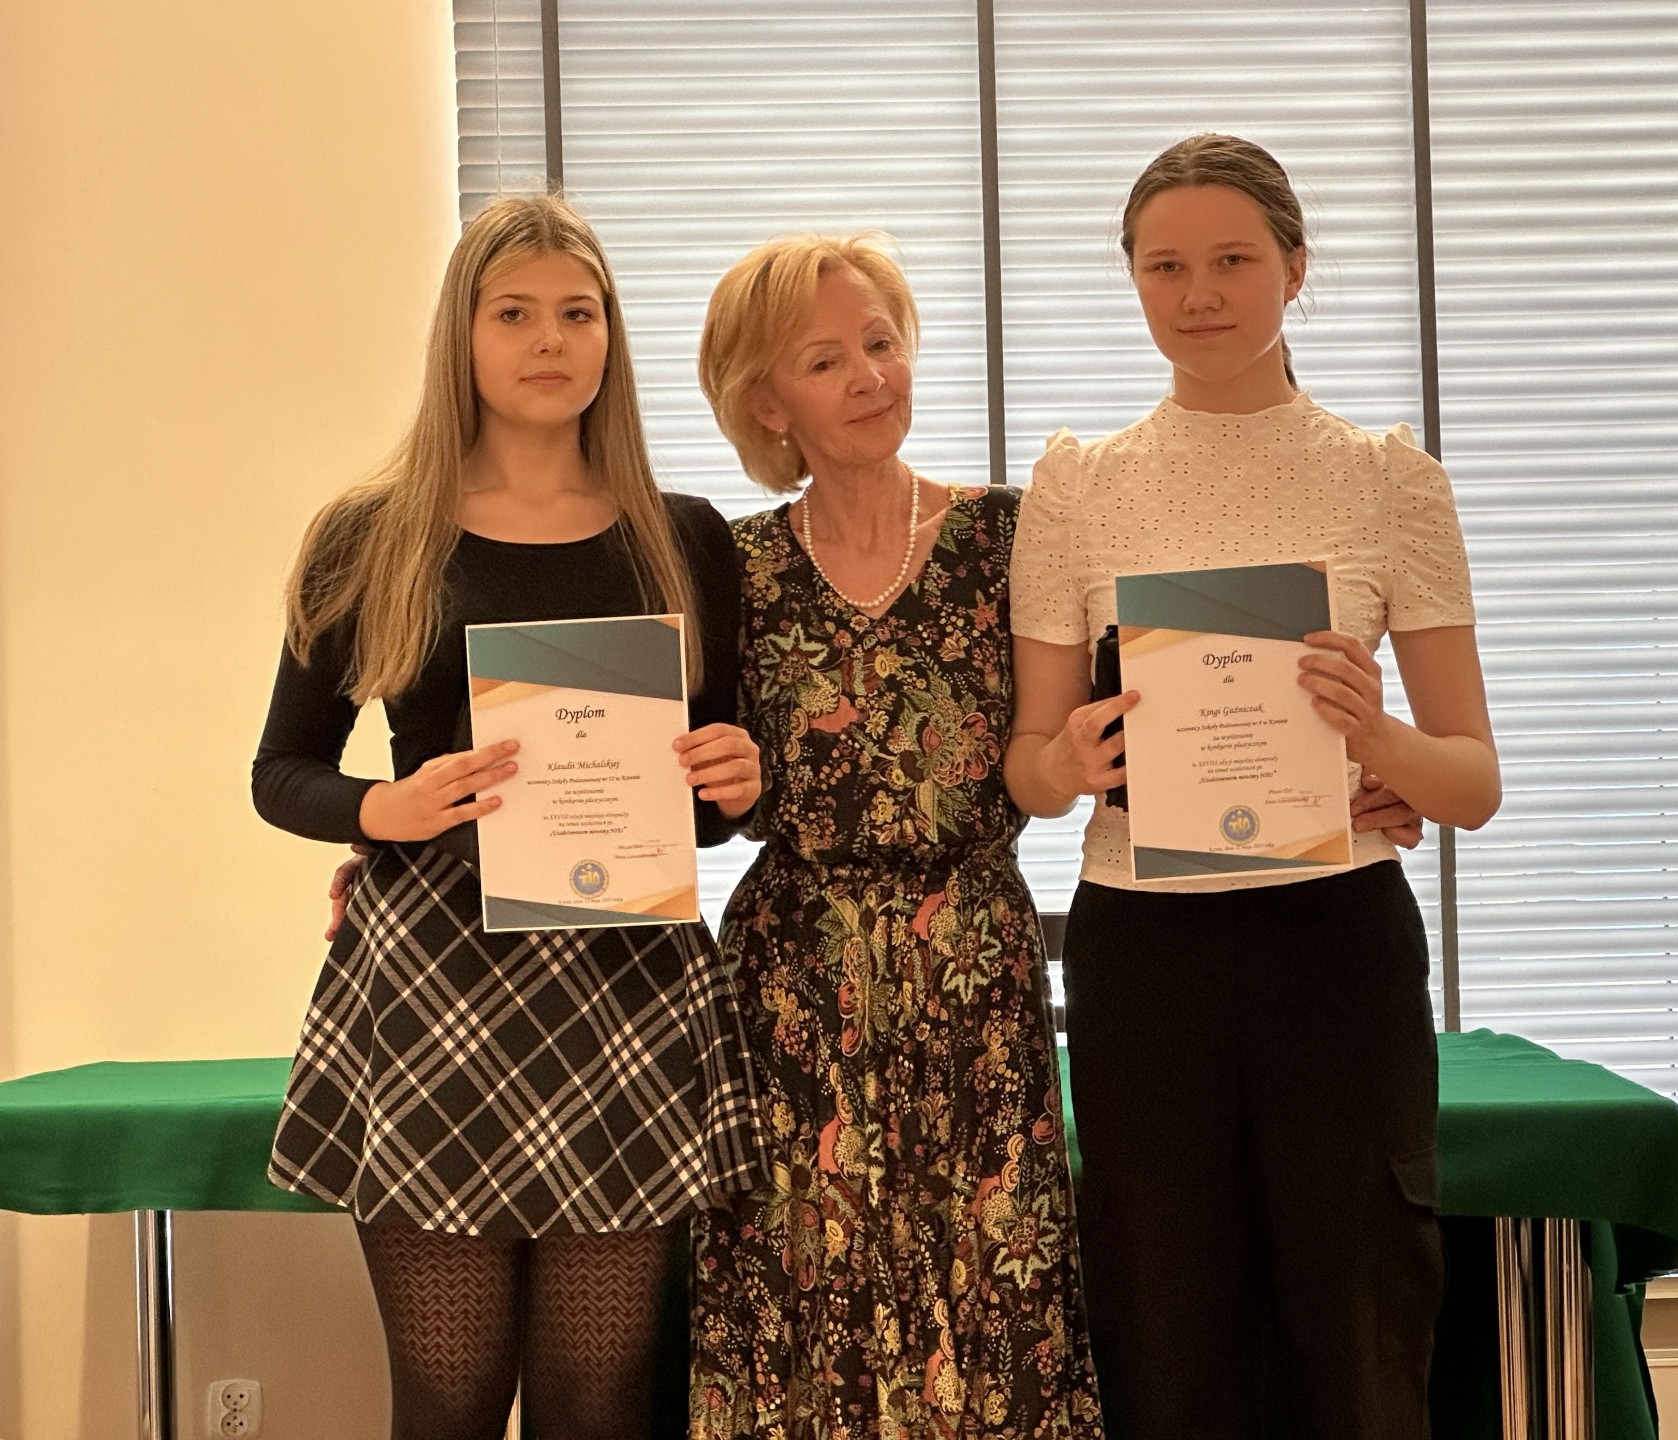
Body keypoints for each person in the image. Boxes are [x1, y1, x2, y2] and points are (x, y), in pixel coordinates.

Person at [1004, 134, 1502, 1440]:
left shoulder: (1388, 480)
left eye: (1232, 260)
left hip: (1335, 942)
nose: (1200, 294)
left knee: (1358, 1325)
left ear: (1295, 267)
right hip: (1144, 949)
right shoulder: (1077, 486)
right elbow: (1030, 769)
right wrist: (1070, 761)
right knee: (1165, 1328)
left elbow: (1471, 782)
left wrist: (1375, 738)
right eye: (1165, 267)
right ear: (1133, 280)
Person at [252, 194, 767, 1440]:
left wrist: (741, 785)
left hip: (627, 989)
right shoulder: (370, 536)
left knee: (600, 1402)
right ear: (463, 336)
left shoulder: (685, 538)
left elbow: (705, 817)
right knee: (450, 1396)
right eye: (515, 314)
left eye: (578, 313)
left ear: (611, 336)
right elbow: (282, 771)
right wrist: (386, 806)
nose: (550, 341)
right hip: (434, 990)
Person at [686, 233, 1103, 1438]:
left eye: (882, 342)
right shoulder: (731, 564)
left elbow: (1106, 738)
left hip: (972, 976)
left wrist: (1341, 782)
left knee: (991, 1296)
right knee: (802, 1300)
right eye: (826, 360)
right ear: (768, 402)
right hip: (791, 989)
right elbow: (687, 790)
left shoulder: (1009, 535)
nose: (870, 376)